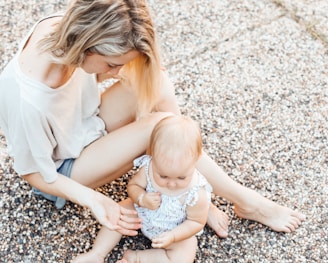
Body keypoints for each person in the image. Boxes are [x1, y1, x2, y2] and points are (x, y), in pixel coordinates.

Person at [0, 0, 304, 248]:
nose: (116, 71)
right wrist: (95, 200)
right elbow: (33, 173)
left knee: (155, 80)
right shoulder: (29, 99)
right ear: (86, 46)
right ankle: (244, 201)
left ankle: (190, 188)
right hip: (64, 169)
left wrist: (125, 69)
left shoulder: (63, 29)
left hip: (86, 125)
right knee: (160, 126)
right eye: (111, 64)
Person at [73, 115, 212, 263]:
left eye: (181, 178)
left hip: (174, 229)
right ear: (153, 157)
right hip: (142, 213)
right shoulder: (149, 168)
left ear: (196, 161)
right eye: (163, 176)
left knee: (184, 255)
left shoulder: (196, 193)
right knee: (119, 212)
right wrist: (141, 198)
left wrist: (173, 236)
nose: (171, 184)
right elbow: (133, 186)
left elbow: (196, 222)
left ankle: (137, 258)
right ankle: (97, 253)